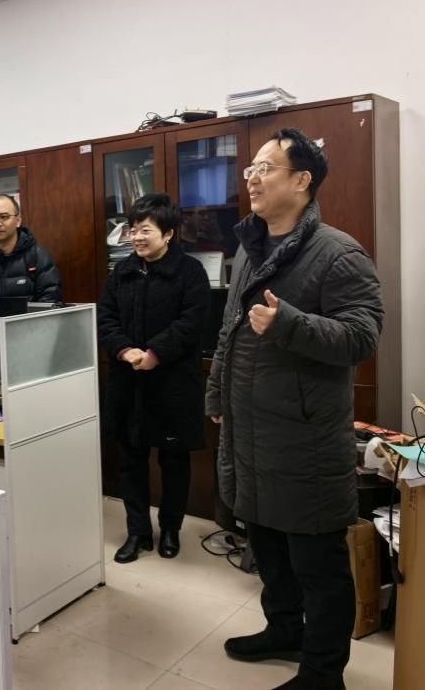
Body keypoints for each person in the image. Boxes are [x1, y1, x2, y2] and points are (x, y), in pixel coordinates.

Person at [206, 129, 383, 690]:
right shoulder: (250, 246)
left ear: (302, 180)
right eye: (251, 170)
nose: (252, 179)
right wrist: (216, 393)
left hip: (305, 439)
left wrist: (290, 324)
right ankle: (284, 629)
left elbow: (362, 337)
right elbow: (230, 331)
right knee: (269, 550)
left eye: (266, 168)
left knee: (318, 567)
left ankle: (324, 673)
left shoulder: (338, 252)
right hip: (250, 431)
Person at [98, 193, 210, 563]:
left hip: (172, 383)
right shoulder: (122, 272)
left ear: (169, 233)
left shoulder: (190, 272)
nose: (137, 237)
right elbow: (106, 317)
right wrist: (124, 350)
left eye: (145, 230)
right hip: (129, 381)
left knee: (174, 462)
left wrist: (155, 353)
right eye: (133, 230)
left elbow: (192, 322)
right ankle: (138, 532)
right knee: (131, 461)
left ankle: (171, 529)